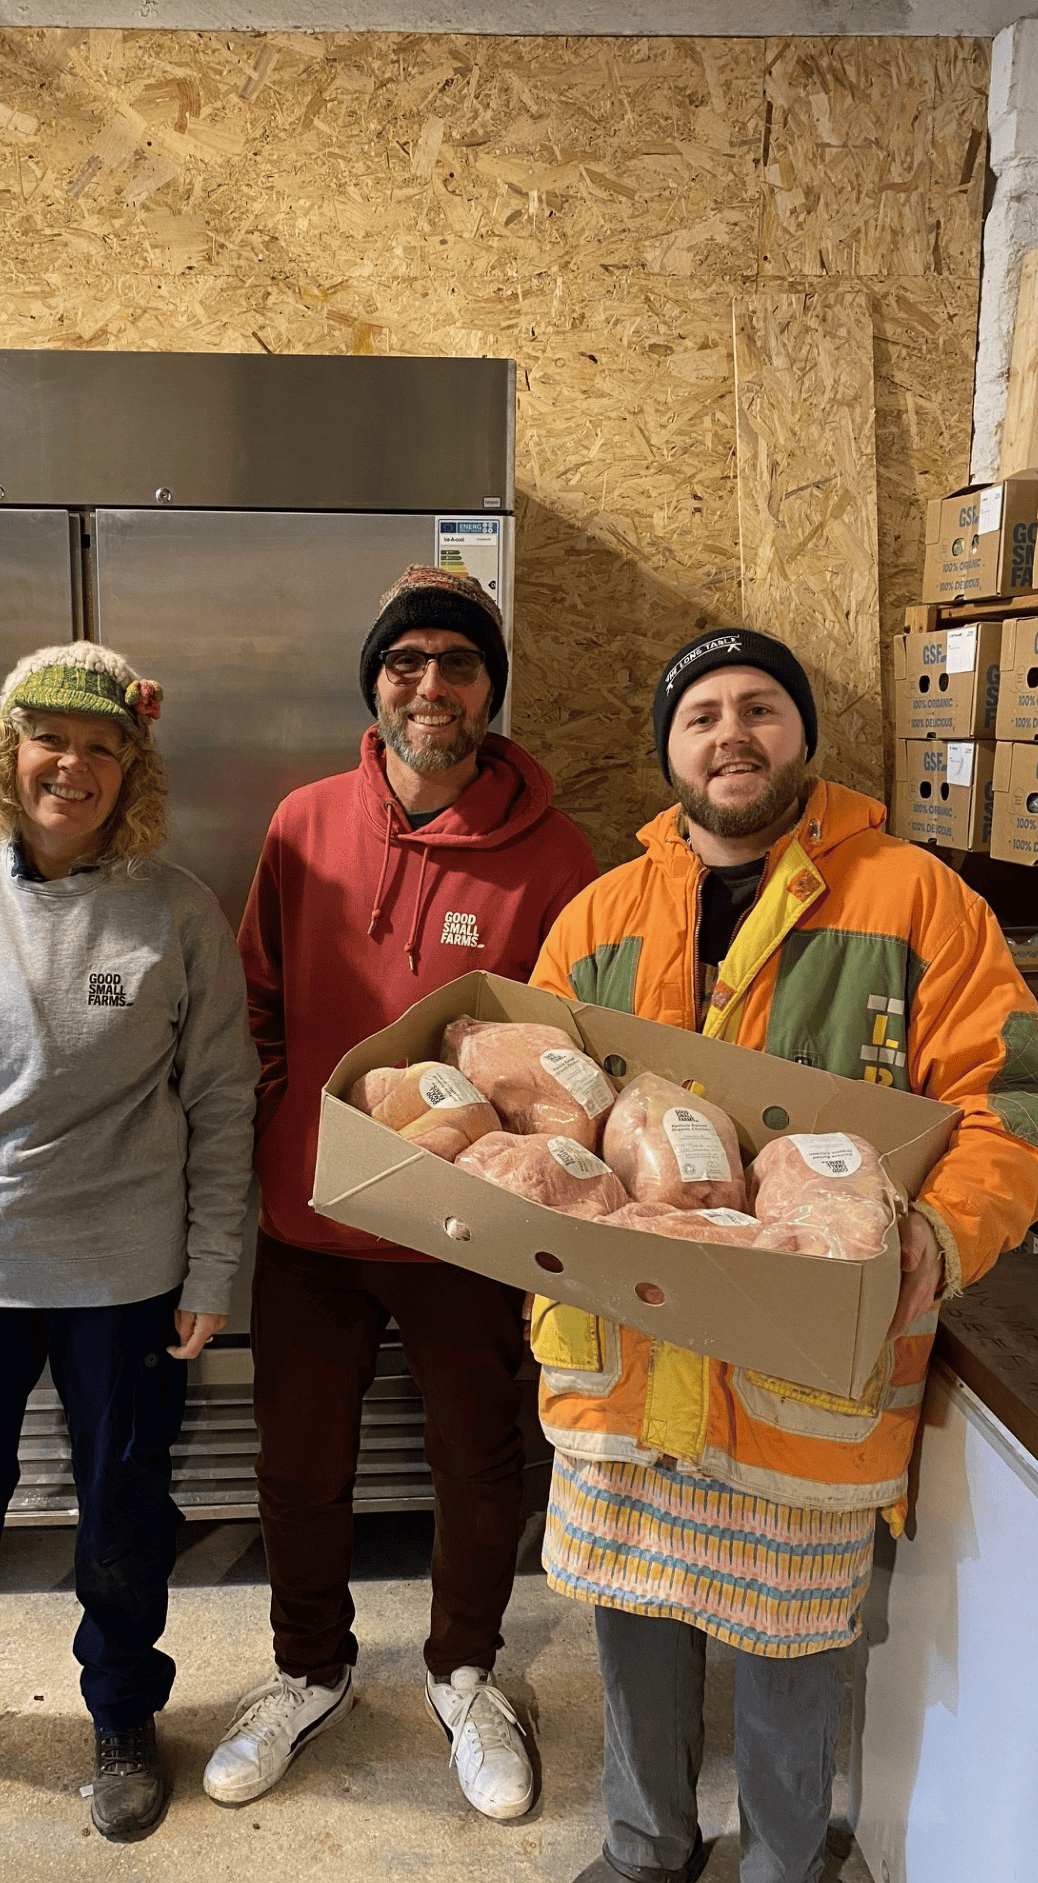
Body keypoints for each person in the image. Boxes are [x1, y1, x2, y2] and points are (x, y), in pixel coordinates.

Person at [529, 627, 1038, 1883]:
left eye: (759, 709)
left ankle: (784, 1874)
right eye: (702, 714)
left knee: (795, 1641)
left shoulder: (915, 901)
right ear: (668, 750)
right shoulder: (598, 918)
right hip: (628, 1360)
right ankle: (645, 1846)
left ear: (801, 737)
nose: (732, 735)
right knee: (633, 1613)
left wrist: (940, 1238)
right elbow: (531, 1120)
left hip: (805, 1383)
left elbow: (1024, 1100)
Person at [202, 565, 599, 1819]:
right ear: (375, 682)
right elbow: (255, 992)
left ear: (493, 688)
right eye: (406, 662)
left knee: (481, 1462)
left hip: (471, 1229)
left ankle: (467, 1671)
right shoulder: (305, 819)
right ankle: (306, 1670)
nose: (432, 686)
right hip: (309, 1215)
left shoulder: (559, 852)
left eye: (460, 663)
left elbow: (567, 1053)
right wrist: (281, 1124)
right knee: (299, 1461)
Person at [0, 643, 258, 1843]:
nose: (70, 766)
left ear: (130, 771)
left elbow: (225, 1099)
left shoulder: (179, 911)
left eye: (100, 747)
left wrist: (213, 1265)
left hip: (126, 1279)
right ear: (7, 752)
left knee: (124, 1515)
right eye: (49, 740)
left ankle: (124, 1714)